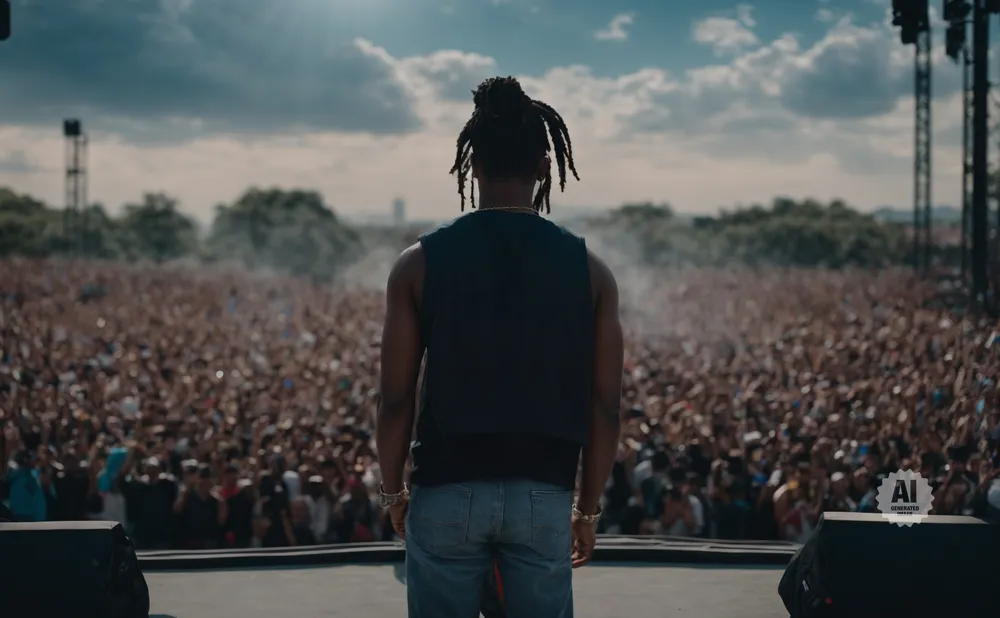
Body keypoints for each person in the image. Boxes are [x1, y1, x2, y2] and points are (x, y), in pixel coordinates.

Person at [375, 76, 624, 618]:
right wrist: (589, 509)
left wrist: (393, 493)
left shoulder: (417, 264)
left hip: (446, 488)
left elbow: (394, 399)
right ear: (543, 166)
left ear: (472, 166)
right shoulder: (591, 273)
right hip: (544, 492)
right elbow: (604, 406)